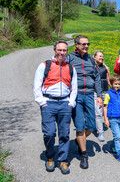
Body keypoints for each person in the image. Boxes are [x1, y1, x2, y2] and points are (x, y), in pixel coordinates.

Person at [33, 40, 77, 174]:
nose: (62, 53)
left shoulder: (70, 67)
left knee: (64, 134)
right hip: (48, 103)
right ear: (54, 51)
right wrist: (42, 103)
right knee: (49, 133)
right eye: (59, 50)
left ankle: (63, 161)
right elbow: (37, 86)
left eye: (64, 50)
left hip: (65, 104)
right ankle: (50, 157)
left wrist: (71, 103)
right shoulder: (44, 65)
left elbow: (74, 88)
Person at [69, 35, 103, 169]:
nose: (86, 46)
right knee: (79, 125)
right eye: (83, 44)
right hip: (76, 95)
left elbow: (96, 78)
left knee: (92, 125)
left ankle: (80, 139)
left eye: (88, 44)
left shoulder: (90, 59)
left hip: (89, 95)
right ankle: (84, 155)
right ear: (76, 45)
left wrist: (99, 95)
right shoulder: (70, 58)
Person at [103, 74, 120, 163]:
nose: (117, 86)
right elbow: (105, 107)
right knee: (117, 137)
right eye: (115, 84)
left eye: (118, 84)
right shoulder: (108, 94)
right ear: (111, 84)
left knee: (119, 135)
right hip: (112, 118)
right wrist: (106, 119)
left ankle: (112, 147)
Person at [93, 50, 110, 142]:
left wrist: (113, 89)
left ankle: (93, 123)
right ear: (94, 57)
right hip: (95, 92)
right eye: (99, 56)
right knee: (98, 113)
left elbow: (108, 79)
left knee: (104, 111)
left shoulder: (105, 68)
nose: (102, 58)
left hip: (105, 91)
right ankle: (100, 133)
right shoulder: (92, 67)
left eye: (102, 56)